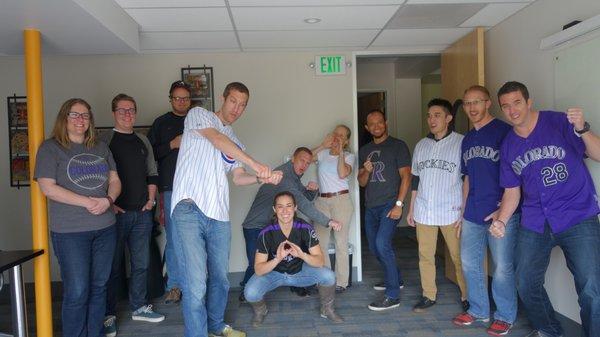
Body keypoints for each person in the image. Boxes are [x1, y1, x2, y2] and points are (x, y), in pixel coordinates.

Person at [170, 82, 282, 337]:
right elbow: (217, 139)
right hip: (189, 208)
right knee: (197, 283)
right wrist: (255, 162)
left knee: (220, 279)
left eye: (242, 105)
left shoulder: (235, 140)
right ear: (223, 98)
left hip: (218, 215)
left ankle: (216, 326)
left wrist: (259, 177)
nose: (237, 108)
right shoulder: (199, 115)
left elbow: (239, 177)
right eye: (233, 101)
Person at [489, 81, 600, 337]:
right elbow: (511, 192)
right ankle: (550, 330)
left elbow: (597, 154)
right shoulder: (508, 146)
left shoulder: (559, 123)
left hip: (577, 216)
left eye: (517, 102)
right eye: (505, 106)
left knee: (591, 287)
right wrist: (502, 221)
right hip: (536, 221)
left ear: (528, 102)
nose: (512, 110)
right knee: (525, 282)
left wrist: (582, 129)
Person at [34, 98, 121, 337]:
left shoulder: (101, 147)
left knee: (99, 287)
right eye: (75, 115)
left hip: (105, 228)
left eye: (85, 115)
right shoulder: (50, 148)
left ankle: (95, 333)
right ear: (64, 118)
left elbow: (114, 180)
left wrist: (108, 200)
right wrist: (89, 202)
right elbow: (48, 188)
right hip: (70, 233)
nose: (81, 119)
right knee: (78, 290)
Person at [451, 85, 519, 336]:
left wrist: (504, 207)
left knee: (502, 266)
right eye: (467, 104)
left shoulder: (505, 132)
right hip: (473, 212)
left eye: (476, 102)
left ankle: (505, 316)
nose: (471, 108)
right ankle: (479, 310)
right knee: (469, 262)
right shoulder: (467, 139)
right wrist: (462, 211)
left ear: (488, 103)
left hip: (502, 213)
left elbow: (517, 172)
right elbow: (467, 177)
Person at [240, 147, 341, 301]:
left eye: (308, 163)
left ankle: (296, 286)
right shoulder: (285, 177)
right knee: (257, 265)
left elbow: (302, 198)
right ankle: (247, 293)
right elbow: (303, 205)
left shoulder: (294, 178)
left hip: (276, 225)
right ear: (292, 159)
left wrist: (312, 191)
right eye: (301, 160)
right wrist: (328, 221)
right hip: (256, 226)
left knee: (292, 256)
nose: (304, 165)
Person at [100, 94, 164, 336]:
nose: (127, 114)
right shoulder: (105, 140)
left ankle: (139, 307)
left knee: (141, 264)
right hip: (114, 214)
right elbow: (98, 176)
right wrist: (110, 204)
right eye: (122, 110)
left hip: (141, 214)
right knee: (112, 266)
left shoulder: (142, 141)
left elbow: (152, 172)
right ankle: (108, 315)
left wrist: (150, 200)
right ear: (113, 112)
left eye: (131, 110)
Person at [244, 191, 343, 327]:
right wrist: (277, 259)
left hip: (299, 272)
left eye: (289, 206)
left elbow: (319, 261)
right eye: (280, 206)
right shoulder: (266, 232)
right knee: (250, 292)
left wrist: (301, 254)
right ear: (274, 209)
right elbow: (259, 269)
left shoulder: (305, 228)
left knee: (329, 276)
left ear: (295, 208)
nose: (285, 211)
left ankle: (327, 309)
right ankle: (261, 311)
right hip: (274, 274)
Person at [406, 98, 468, 313]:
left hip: (452, 211)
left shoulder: (462, 142)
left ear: (449, 118)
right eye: (429, 115)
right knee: (425, 256)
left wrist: (464, 211)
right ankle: (428, 295)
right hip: (424, 210)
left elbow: (469, 178)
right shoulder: (421, 145)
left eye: (437, 115)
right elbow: (415, 179)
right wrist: (411, 208)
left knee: (459, 257)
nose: (432, 120)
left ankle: (467, 295)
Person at [358, 109, 411, 311]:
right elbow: (362, 182)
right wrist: (366, 171)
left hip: (390, 204)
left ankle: (392, 295)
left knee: (382, 244)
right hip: (371, 206)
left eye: (380, 122)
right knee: (373, 247)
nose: (376, 126)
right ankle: (395, 278)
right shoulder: (365, 150)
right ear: (367, 127)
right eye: (372, 124)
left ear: (386, 122)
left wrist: (399, 205)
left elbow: (406, 176)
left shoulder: (398, 146)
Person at [147, 80, 192, 305]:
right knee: (175, 240)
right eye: (177, 98)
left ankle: (194, 284)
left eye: (185, 98)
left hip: (197, 190)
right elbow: (148, 155)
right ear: (171, 99)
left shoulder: (199, 121)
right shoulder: (160, 123)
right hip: (171, 189)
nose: (181, 101)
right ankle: (175, 286)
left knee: (197, 238)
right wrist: (172, 145)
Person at [311, 125, 355, 293]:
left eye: (342, 135)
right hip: (322, 201)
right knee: (320, 243)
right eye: (336, 134)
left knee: (341, 243)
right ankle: (325, 279)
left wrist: (341, 152)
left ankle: (341, 282)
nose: (337, 137)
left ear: (347, 140)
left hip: (341, 201)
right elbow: (304, 157)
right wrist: (323, 145)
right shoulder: (322, 154)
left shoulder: (349, 156)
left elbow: (343, 174)